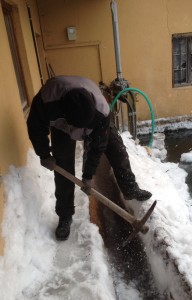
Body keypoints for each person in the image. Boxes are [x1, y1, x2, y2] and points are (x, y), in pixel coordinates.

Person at [27, 75, 151, 241]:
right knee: (63, 168)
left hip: (96, 120)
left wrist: (88, 176)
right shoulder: (46, 102)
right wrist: (43, 154)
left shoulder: (101, 111)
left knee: (117, 149)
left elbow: (97, 146)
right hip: (62, 128)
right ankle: (65, 216)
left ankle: (130, 188)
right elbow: (35, 126)